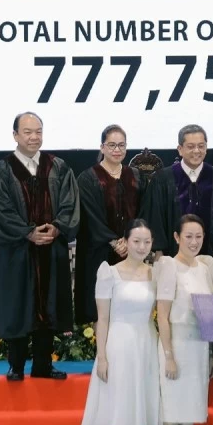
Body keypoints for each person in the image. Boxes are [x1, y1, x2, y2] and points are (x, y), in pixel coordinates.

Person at [0, 112, 80, 381]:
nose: (34, 137)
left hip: (50, 248)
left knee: (48, 305)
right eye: (27, 132)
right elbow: (0, 211)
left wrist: (57, 227)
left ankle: (43, 364)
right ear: (15, 135)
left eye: (38, 131)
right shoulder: (1, 171)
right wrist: (28, 233)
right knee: (17, 305)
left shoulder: (58, 167)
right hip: (16, 251)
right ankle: (15, 366)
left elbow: (70, 204)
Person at [80, 219, 166, 425]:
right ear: (125, 242)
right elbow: (102, 319)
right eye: (136, 241)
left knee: (136, 404)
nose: (142, 247)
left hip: (146, 341)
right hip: (119, 343)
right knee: (126, 402)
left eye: (147, 242)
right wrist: (102, 356)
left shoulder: (155, 273)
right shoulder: (109, 272)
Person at [155, 214, 213, 425]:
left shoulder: (204, 268)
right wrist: (169, 355)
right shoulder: (169, 266)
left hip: (198, 348)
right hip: (176, 345)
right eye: (188, 236)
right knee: (171, 411)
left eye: (199, 237)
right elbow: (162, 316)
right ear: (176, 237)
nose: (194, 242)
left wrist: (210, 353)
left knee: (190, 410)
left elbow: (209, 315)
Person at [75, 124, 142, 324]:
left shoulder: (135, 176)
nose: (117, 150)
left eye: (121, 145)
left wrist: (130, 240)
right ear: (102, 147)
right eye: (112, 145)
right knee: (100, 308)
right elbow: (89, 216)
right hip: (98, 252)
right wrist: (113, 241)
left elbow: (143, 212)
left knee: (130, 306)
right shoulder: (88, 178)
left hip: (130, 252)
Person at [142, 124, 213, 257]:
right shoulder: (162, 179)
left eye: (201, 146)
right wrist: (159, 250)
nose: (196, 151)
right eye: (190, 146)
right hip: (172, 255)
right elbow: (155, 218)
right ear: (180, 149)